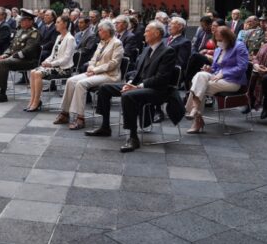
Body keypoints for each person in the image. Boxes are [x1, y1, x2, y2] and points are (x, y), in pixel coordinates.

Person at [90, 21, 177, 152]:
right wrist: (130, 83)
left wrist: (138, 87)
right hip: (139, 86)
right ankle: (105, 126)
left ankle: (133, 137)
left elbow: (162, 78)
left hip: (157, 90)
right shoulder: (147, 49)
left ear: (157, 33)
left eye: (147, 31)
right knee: (104, 88)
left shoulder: (167, 51)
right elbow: (137, 72)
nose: (144, 33)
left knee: (128, 95)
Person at [54, 20, 123, 130]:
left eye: (100, 30)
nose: (98, 32)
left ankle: (80, 118)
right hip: (96, 72)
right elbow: (93, 59)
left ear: (108, 31)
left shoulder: (117, 43)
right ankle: (65, 113)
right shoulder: (102, 43)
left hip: (110, 75)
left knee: (81, 84)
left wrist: (95, 70)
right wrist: (91, 67)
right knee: (71, 80)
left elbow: (113, 63)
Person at [185, 27, 249, 133]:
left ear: (228, 38)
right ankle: (196, 110)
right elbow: (215, 69)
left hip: (233, 81)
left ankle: (197, 119)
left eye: (221, 40)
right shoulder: (218, 49)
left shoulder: (239, 46)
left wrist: (224, 73)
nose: (218, 43)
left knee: (199, 87)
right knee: (200, 75)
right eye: (217, 40)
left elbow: (242, 67)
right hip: (216, 78)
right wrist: (209, 69)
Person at [0, 9, 41, 103]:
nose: (21, 21)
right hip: (15, 58)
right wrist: (5, 54)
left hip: (28, 60)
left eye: (24, 20)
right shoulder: (20, 31)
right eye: (21, 20)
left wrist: (12, 57)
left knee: (4, 63)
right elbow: (11, 46)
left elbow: (28, 50)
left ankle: (2, 94)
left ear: (31, 21)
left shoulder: (34, 33)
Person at [25, 14, 76, 112]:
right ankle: (33, 100)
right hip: (55, 66)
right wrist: (46, 61)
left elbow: (66, 59)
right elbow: (53, 55)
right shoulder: (58, 37)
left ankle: (36, 102)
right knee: (32, 72)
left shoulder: (70, 39)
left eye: (58, 22)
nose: (56, 25)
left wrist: (51, 64)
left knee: (38, 73)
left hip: (64, 69)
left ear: (65, 24)